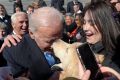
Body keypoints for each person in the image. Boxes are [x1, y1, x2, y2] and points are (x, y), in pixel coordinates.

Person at [3, 7, 63, 80]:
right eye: (48, 41)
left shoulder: (62, 37)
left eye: (58, 40)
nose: (55, 45)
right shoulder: (14, 50)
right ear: (31, 33)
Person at [82, 1, 120, 73]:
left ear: (107, 24)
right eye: (84, 22)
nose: (85, 28)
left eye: (92, 23)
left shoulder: (112, 63)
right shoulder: (86, 47)